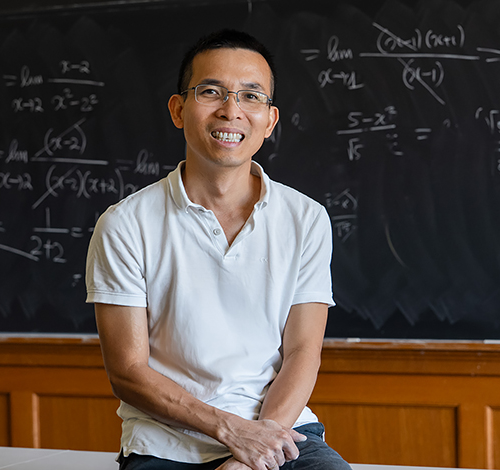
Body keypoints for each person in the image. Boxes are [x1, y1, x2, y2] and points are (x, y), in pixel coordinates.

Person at [86, 29, 351, 470]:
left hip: (282, 431)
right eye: (211, 91)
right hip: (166, 443)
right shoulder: (125, 224)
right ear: (178, 109)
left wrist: (254, 452)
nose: (231, 111)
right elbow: (128, 372)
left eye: (251, 96)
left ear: (270, 119)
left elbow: (304, 351)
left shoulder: (306, 218)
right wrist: (231, 433)